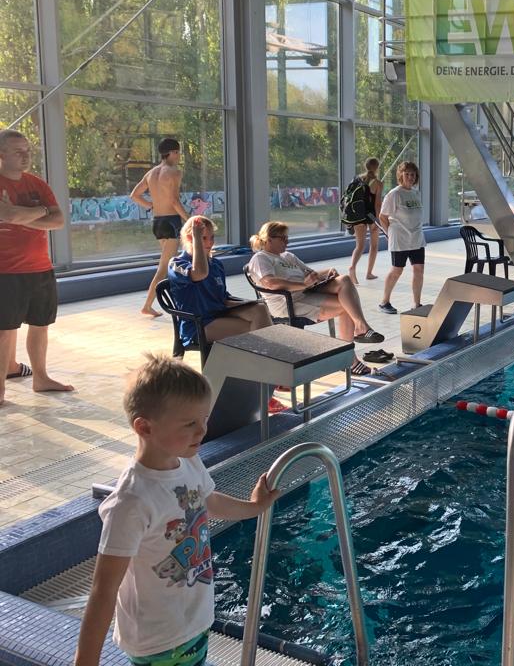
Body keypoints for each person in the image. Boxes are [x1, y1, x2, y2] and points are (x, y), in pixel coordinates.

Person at [73, 355, 280, 666]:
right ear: (145, 427)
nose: (203, 430)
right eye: (189, 424)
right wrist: (85, 660)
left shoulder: (187, 461)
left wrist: (254, 507)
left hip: (193, 622)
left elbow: (208, 502)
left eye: (204, 418)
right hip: (158, 640)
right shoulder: (132, 501)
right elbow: (104, 589)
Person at [249, 222, 383, 375]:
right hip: (287, 303)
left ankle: (358, 334)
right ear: (269, 239)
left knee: (344, 281)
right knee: (347, 307)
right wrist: (302, 284)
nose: (287, 242)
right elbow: (270, 282)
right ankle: (350, 357)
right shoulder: (261, 258)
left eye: (287, 238)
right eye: (283, 238)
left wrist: (327, 272)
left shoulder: (288, 256)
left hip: (305, 294)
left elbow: (310, 274)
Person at [0, 129, 74, 406]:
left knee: (40, 325)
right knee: (4, 330)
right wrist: (41, 211)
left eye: (27, 150)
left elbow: (58, 220)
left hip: (40, 268)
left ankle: (40, 378)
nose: (25, 156)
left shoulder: (37, 184)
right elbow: (6, 214)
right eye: (18, 151)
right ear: (1, 154)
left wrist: (22, 214)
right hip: (6, 271)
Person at [167, 216, 273, 347]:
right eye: (203, 238)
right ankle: (266, 355)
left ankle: (267, 354)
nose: (210, 243)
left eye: (212, 237)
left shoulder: (216, 264)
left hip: (219, 313)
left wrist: (247, 304)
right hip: (198, 324)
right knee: (254, 328)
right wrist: (197, 239)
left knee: (260, 309)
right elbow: (200, 273)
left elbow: (222, 298)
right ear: (190, 238)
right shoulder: (177, 263)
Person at [131, 138, 190, 318]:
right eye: (178, 153)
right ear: (172, 153)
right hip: (171, 222)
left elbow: (134, 195)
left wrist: (151, 205)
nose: (179, 156)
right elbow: (174, 201)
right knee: (164, 268)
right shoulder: (173, 172)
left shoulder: (151, 173)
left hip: (157, 222)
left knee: (169, 264)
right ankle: (147, 305)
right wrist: (189, 219)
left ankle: (176, 301)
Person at [379, 161, 425, 314]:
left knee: (419, 270)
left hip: (417, 238)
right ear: (400, 175)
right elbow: (383, 217)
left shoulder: (416, 193)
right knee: (397, 270)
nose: (410, 177)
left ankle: (417, 304)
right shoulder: (394, 194)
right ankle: (384, 302)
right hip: (400, 239)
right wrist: (389, 234)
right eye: (407, 174)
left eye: (413, 174)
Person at [347, 158, 383, 283]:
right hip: (371, 216)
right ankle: (369, 273)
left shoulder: (357, 180)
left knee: (360, 245)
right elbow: (377, 204)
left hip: (358, 216)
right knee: (374, 245)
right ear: (377, 168)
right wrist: (377, 220)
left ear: (365, 166)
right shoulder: (378, 183)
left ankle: (352, 267)